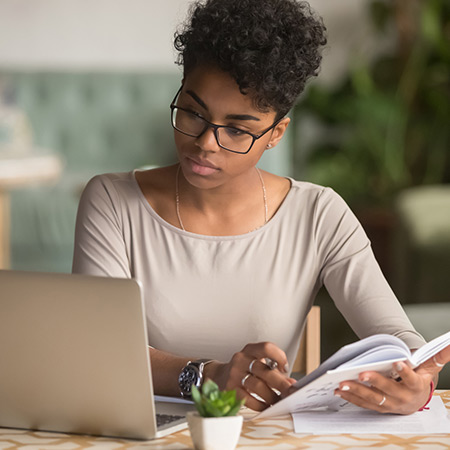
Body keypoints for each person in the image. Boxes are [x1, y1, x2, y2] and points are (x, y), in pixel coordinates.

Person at [72, 0, 448, 414]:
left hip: (263, 434)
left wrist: (419, 384)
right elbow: (94, 346)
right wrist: (207, 377)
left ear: (275, 133)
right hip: (144, 434)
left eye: (236, 129)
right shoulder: (112, 202)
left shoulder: (318, 214)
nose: (205, 143)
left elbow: (396, 336)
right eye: (194, 112)